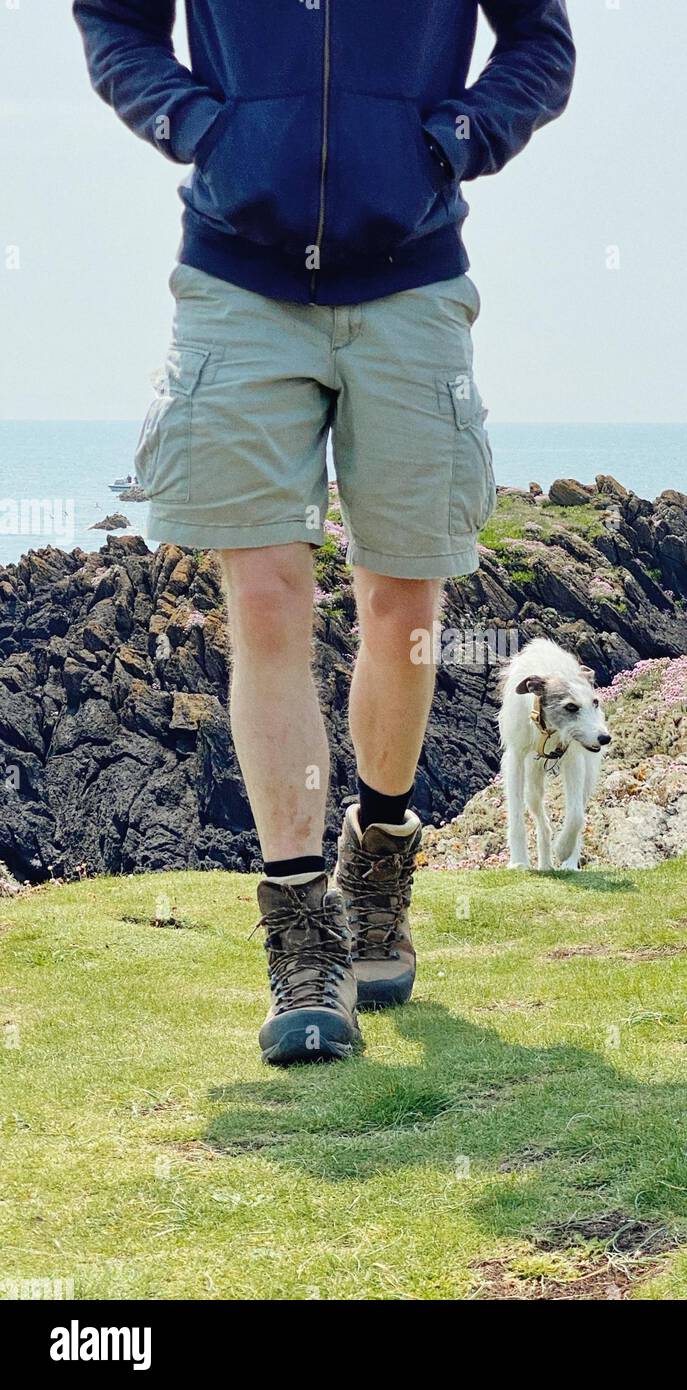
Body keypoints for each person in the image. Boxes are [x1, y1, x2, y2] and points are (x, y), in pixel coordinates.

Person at [73, 0, 576, 1064]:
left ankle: (379, 857)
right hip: (235, 278)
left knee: (404, 604)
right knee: (264, 599)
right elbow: (113, 21)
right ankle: (302, 936)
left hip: (411, 279)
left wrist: (457, 138)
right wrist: (202, 127)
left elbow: (539, 42)